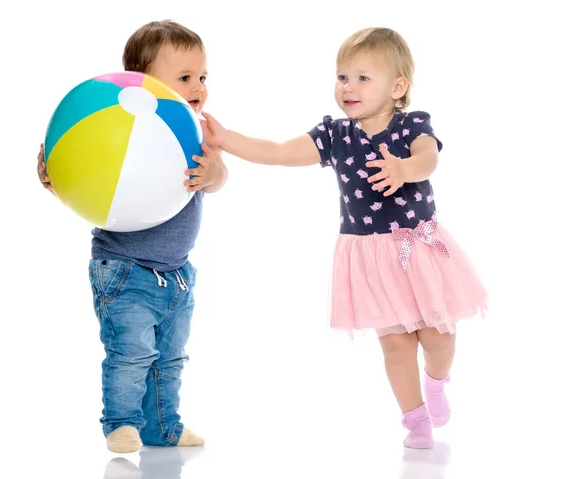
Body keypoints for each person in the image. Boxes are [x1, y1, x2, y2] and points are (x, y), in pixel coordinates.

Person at [200, 27, 487, 449]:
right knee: (396, 346)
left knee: (439, 337)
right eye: (342, 77)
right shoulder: (336, 136)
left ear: (397, 87)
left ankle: (437, 382)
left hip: (418, 250)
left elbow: (429, 158)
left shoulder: (412, 126)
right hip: (371, 257)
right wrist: (227, 140)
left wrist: (404, 169)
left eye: (362, 78)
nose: (348, 87)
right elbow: (279, 152)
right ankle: (414, 418)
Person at [37, 20, 228, 453]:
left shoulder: (192, 132)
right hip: (124, 269)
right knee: (131, 354)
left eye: (202, 76)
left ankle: (163, 427)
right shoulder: (113, 126)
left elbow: (219, 177)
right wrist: (50, 168)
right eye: (184, 78)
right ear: (142, 83)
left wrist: (215, 172)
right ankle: (121, 424)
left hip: (177, 274)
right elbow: (70, 159)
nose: (198, 86)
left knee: (170, 359)